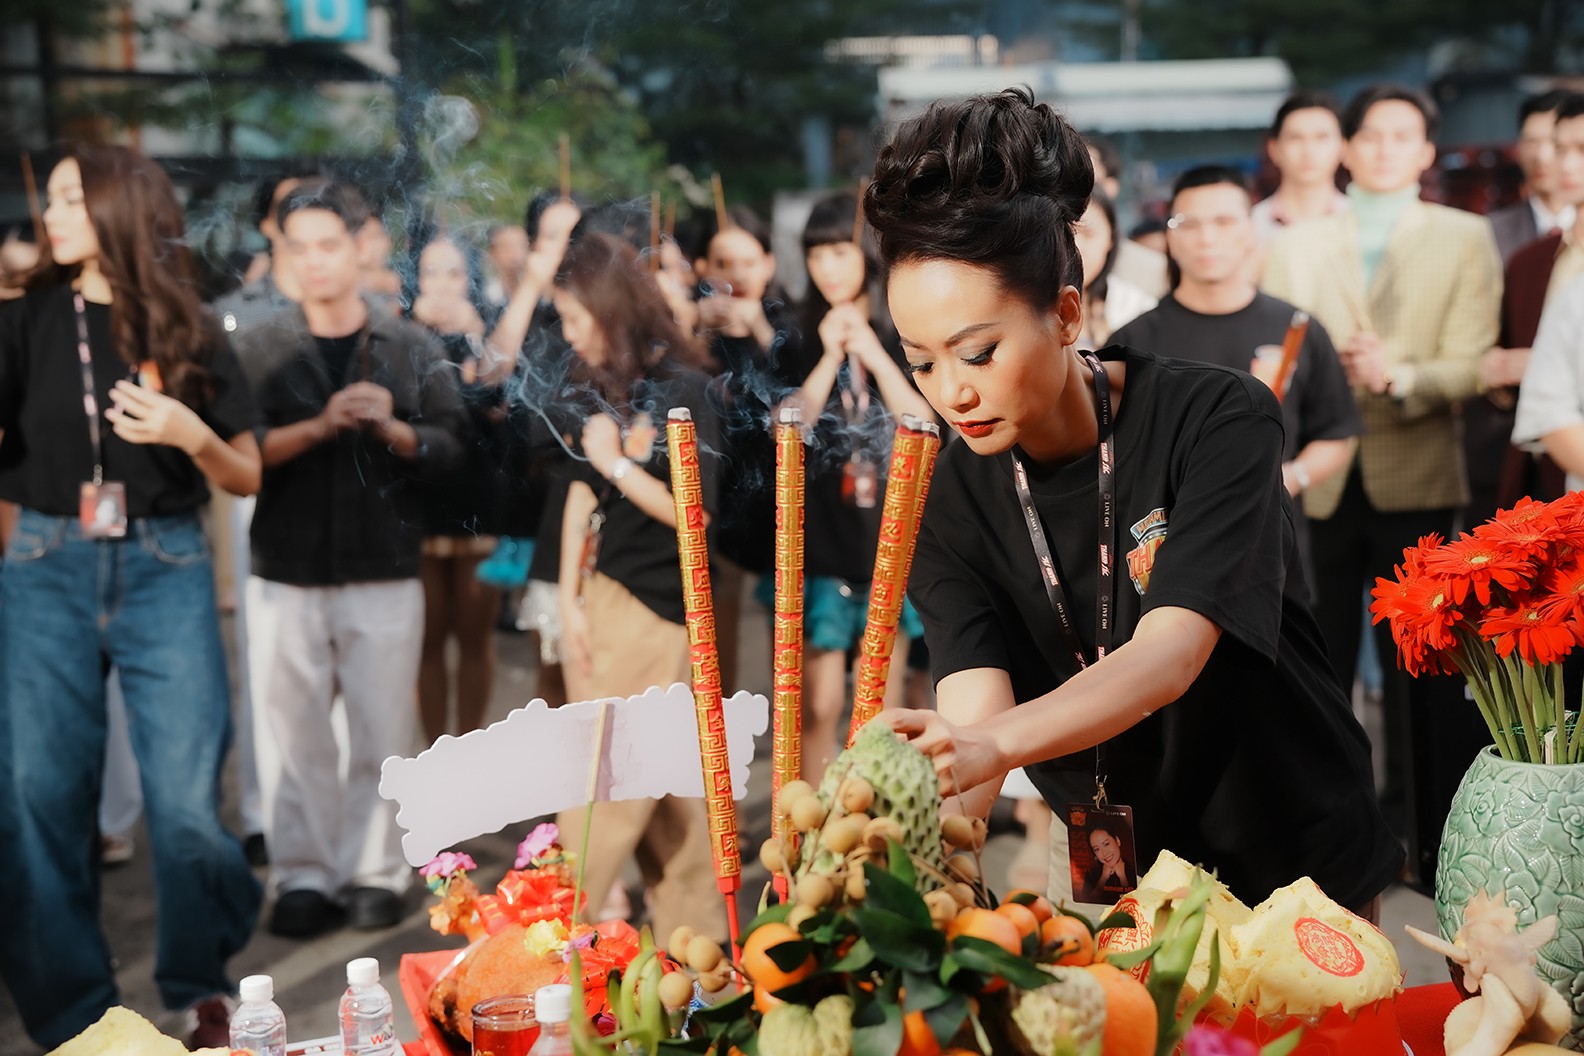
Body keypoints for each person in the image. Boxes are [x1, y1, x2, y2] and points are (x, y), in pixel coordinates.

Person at [867, 88, 1403, 915]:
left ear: (1065, 315)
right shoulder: (946, 496)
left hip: (1285, 839)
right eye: (922, 363)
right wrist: (913, 860)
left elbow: (1171, 653)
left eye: (977, 353)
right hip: (1114, 861)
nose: (952, 393)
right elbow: (974, 701)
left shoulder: (1217, 417)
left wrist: (987, 745)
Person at [0, 144, 263, 1047]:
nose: (53, 216)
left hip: (166, 563)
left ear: (121, 208)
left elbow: (245, 474)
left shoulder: (190, 325)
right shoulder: (22, 318)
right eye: (53, 199)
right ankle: (75, 1017)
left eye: (72, 199)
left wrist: (190, 432)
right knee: (38, 795)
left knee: (187, 803)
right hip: (46, 564)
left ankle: (197, 986)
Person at [234, 181, 464, 938]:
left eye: (328, 245)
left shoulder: (410, 344)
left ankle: (375, 870)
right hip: (286, 564)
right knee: (291, 731)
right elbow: (239, 453)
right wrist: (321, 425)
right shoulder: (259, 344)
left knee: (381, 724)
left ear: (361, 247)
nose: (314, 262)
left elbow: (451, 446)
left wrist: (396, 430)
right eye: (297, 247)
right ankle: (302, 874)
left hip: (383, 561)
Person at [551, 232, 726, 941]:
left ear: (608, 309)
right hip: (603, 595)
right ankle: (699, 943)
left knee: (607, 783)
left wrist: (618, 466)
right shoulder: (605, 383)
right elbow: (578, 492)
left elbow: (696, 513)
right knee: (666, 782)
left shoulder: (685, 389)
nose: (569, 334)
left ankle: (556, 935)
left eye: (574, 317)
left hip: (654, 605)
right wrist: (568, 598)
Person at [1112, 165, 1359, 588]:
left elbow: (1336, 432)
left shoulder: (1296, 328)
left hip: (1276, 554)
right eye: (1189, 224)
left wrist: (1289, 478)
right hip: (1168, 557)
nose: (1207, 238)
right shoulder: (1131, 342)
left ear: (1250, 231)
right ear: (1170, 237)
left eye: (1224, 221)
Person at [774, 192, 934, 781]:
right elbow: (787, 429)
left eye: (839, 252)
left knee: (879, 704)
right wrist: (827, 358)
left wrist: (871, 350)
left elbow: (927, 426)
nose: (827, 268)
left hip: (890, 534)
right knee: (816, 705)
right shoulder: (796, 332)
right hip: (822, 537)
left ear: (867, 254)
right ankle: (812, 817)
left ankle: (870, 817)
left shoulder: (905, 326)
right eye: (816, 255)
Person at [409, 231, 503, 742]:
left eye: (454, 273)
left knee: (474, 635)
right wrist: (415, 329)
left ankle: (470, 749)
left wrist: (477, 335)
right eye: (430, 273)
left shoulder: (488, 330)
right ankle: (433, 756)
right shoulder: (400, 333)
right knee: (425, 640)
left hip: (477, 499)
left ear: (471, 281)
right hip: (418, 498)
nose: (442, 285)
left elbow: (502, 405)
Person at [1477, 93, 1584, 522]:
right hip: (1540, 474)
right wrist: (1495, 372)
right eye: (1560, 147)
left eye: (1581, 149)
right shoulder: (1530, 261)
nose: (1565, 163)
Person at [1486, 90, 1575, 264]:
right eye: (1532, 142)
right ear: (1518, 149)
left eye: (1554, 141)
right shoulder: (1489, 233)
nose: (1541, 156)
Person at [1251, 91, 1349, 241]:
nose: (1308, 151)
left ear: (1343, 147)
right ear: (1273, 149)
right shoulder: (1253, 225)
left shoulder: (1361, 220)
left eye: (1321, 138)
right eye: (1295, 138)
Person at [1073, 191, 1155, 348]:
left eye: (1088, 233)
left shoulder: (1136, 308)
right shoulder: (1027, 308)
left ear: (1111, 238)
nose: (1077, 247)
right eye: (1065, 233)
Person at [1077, 819, 1139, 905]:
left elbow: (1134, 904)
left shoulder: (1134, 872)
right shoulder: (1091, 874)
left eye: (1106, 844)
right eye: (1097, 849)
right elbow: (1087, 903)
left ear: (1117, 841)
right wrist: (1103, 879)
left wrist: (1123, 877)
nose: (1104, 853)